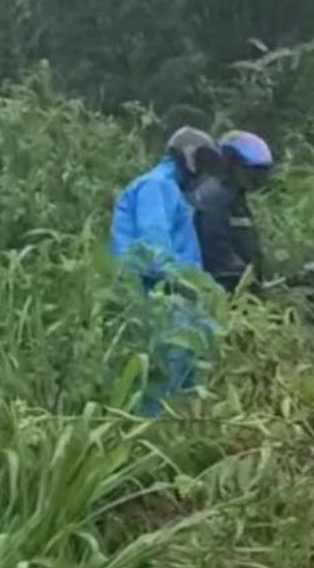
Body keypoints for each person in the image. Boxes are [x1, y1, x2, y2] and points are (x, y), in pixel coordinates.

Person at [109, 127, 217, 414]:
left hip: (174, 300)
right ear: (189, 157)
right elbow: (154, 244)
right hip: (160, 299)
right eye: (204, 163)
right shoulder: (157, 186)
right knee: (163, 376)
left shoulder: (168, 188)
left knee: (186, 377)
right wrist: (179, 283)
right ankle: (151, 440)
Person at [191, 130, 274, 294]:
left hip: (240, 288)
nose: (254, 180)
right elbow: (214, 244)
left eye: (259, 174)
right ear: (229, 163)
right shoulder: (213, 197)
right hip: (219, 289)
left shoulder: (236, 197)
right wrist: (240, 274)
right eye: (249, 172)